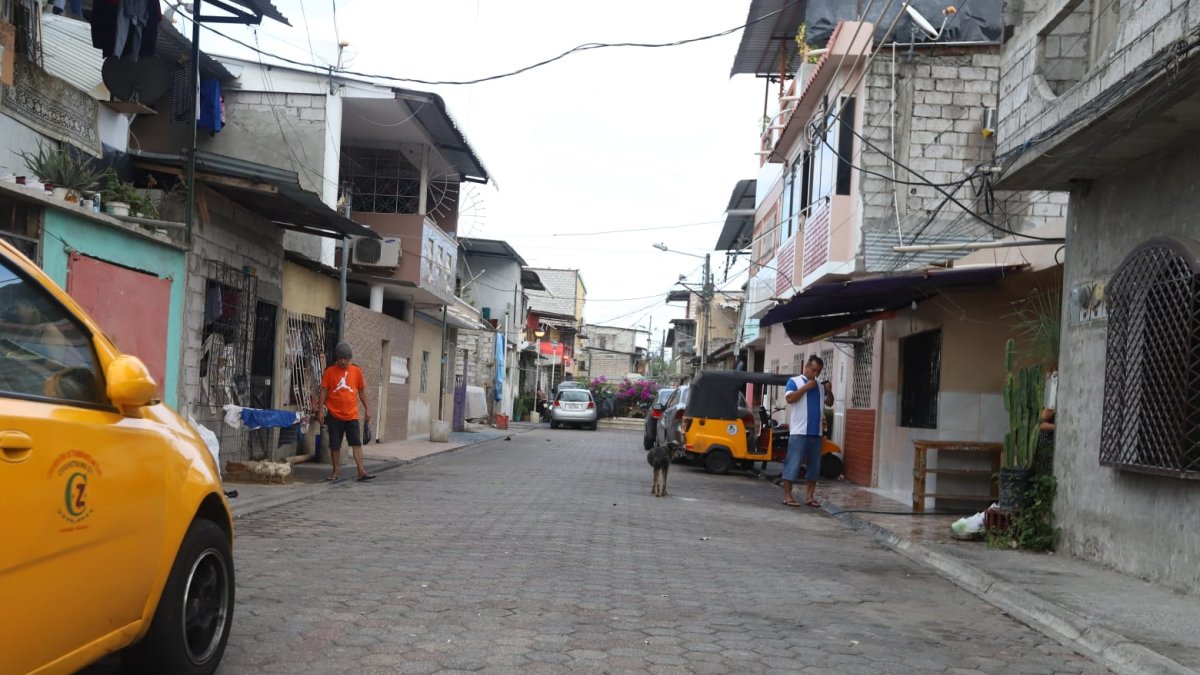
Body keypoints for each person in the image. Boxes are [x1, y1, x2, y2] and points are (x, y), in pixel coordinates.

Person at [318, 341, 374, 482]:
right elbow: (323, 392)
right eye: (340, 358)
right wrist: (319, 410)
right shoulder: (330, 372)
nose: (343, 361)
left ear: (350, 358)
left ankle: (361, 471)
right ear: (337, 358)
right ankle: (335, 472)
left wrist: (367, 409)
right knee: (335, 445)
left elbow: (361, 392)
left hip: (352, 415)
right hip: (335, 415)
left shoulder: (356, 371)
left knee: (356, 443)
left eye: (346, 358)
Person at [782, 355, 825, 508]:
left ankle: (809, 497)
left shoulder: (820, 385)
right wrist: (806, 387)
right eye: (813, 370)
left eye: (818, 371)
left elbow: (830, 402)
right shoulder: (794, 381)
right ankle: (787, 496)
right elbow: (789, 399)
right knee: (793, 463)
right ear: (806, 367)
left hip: (816, 432)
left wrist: (829, 391)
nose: (815, 374)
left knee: (814, 466)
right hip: (799, 431)